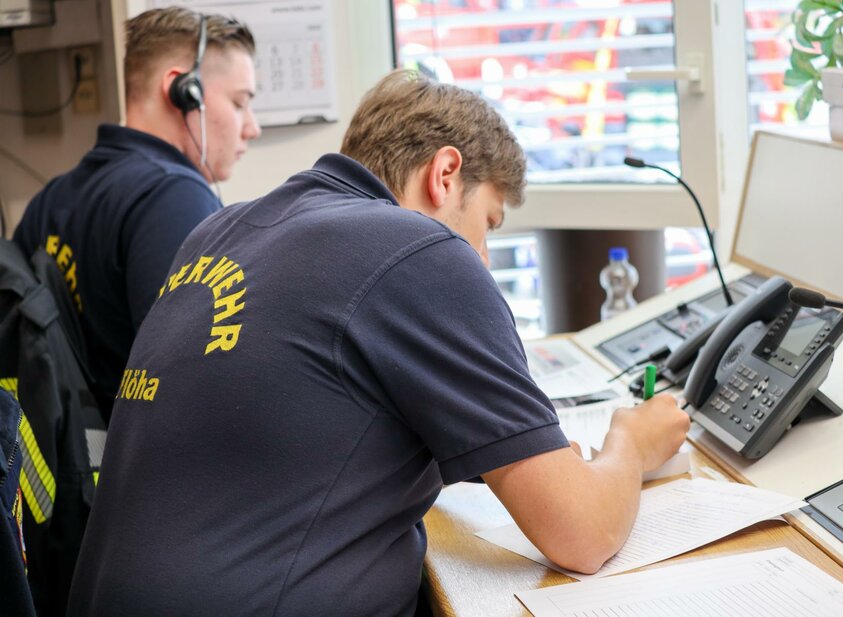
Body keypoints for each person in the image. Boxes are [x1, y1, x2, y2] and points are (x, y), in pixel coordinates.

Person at [67, 70, 690, 617]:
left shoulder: (219, 230)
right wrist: (631, 444)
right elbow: (582, 533)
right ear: (444, 175)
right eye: (488, 223)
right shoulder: (422, 252)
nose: (481, 256)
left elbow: (293, 425)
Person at [13, 7, 261, 422]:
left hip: (77, 455)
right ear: (182, 90)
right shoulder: (173, 198)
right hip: (140, 459)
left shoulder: (53, 196)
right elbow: (198, 382)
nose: (251, 127)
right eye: (239, 103)